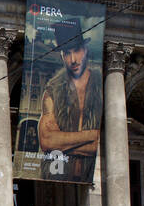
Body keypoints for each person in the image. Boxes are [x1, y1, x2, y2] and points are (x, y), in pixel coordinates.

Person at [36, 19, 101, 179]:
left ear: (85, 50)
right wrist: (93, 135)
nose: (73, 59)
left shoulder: (100, 84)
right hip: (56, 176)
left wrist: (64, 142)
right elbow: (47, 142)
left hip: (89, 175)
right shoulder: (52, 90)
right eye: (67, 53)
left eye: (76, 50)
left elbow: (105, 144)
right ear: (62, 55)